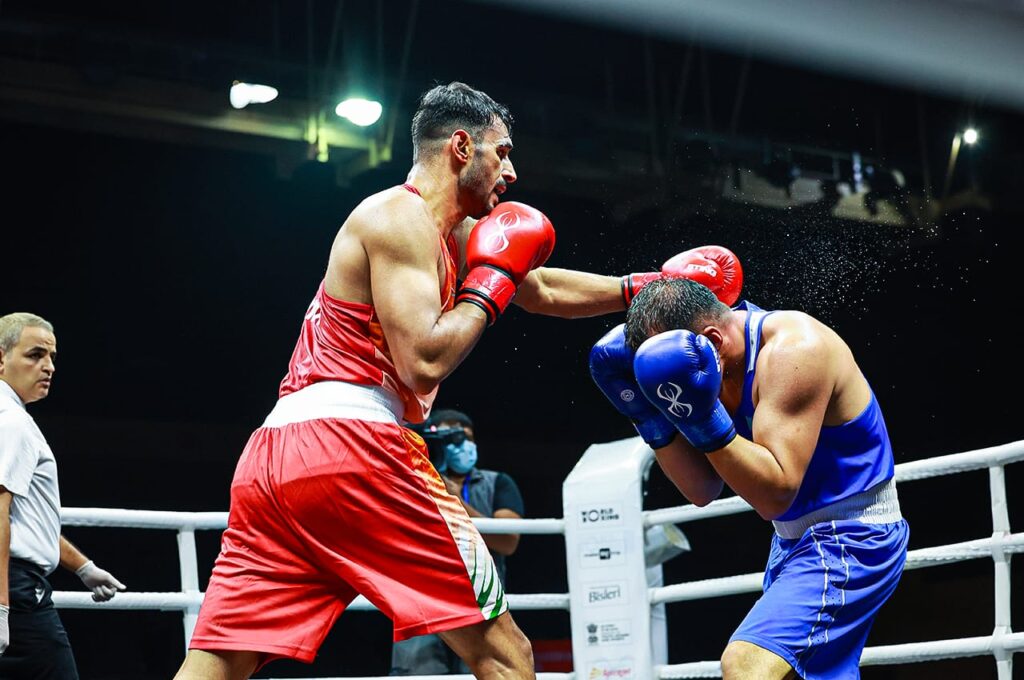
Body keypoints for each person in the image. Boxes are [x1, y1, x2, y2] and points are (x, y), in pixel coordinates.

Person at [174, 80, 743, 680]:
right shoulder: (397, 217)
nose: (512, 170)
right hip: (354, 445)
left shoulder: (455, 235)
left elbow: (541, 287)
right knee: (507, 654)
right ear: (462, 147)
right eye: (503, 152)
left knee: (222, 660)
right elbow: (424, 361)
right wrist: (484, 290)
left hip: (274, 462)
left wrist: (650, 286)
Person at [589, 278, 909, 680]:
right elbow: (701, 489)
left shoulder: (795, 351)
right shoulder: (707, 365)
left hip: (852, 536)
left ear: (712, 339)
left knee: (746, 664)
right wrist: (646, 414)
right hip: (793, 541)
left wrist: (704, 420)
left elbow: (776, 493)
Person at [0, 312, 127, 679]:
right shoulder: (11, 422)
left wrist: (83, 567)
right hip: (18, 590)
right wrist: (3, 606)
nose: (49, 366)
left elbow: (26, 518)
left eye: (52, 357)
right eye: (35, 355)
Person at [390, 408, 524, 676]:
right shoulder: (406, 483)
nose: (460, 446)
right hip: (423, 599)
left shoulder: (497, 482)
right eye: (451, 440)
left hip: (481, 602)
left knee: (488, 671)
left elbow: (508, 541)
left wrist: (455, 501)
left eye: (466, 438)